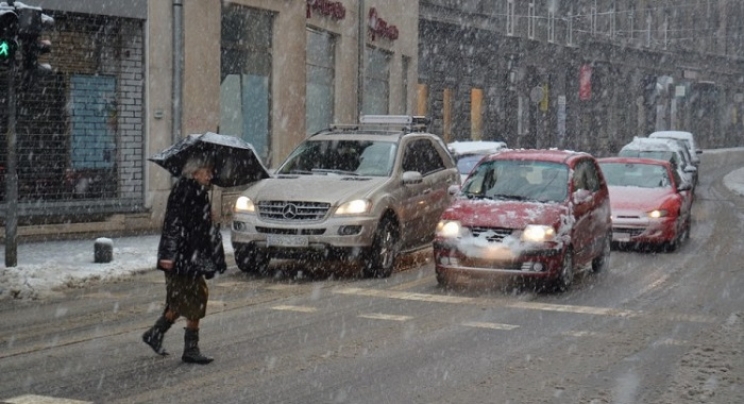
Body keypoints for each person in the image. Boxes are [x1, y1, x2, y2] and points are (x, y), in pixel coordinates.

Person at [142, 155, 226, 364]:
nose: (210, 175)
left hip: (191, 256)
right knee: (195, 299)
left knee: (181, 300)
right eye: (207, 171)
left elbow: (199, 227)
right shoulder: (184, 192)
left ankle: (156, 333)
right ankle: (190, 349)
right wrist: (168, 256)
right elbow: (173, 224)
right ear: (194, 172)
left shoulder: (198, 192)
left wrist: (210, 219)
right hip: (183, 257)